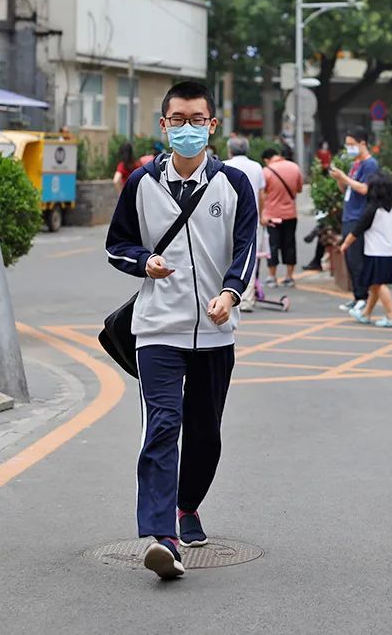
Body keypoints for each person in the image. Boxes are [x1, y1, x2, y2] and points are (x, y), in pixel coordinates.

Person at [105, 80, 257, 579]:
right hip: (158, 328)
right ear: (164, 124)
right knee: (164, 424)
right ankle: (161, 536)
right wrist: (143, 261)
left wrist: (231, 293)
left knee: (206, 433)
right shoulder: (141, 183)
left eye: (197, 119)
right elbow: (116, 245)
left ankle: (186, 504)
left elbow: (246, 249)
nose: (187, 128)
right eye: (178, 119)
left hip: (216, 329)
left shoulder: (233, 185)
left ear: (212, 125)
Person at [340, 171, 392, 328]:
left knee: (379, 285)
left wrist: (345, 244)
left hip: (375, 252)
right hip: (389, 252)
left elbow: (358, 229)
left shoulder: (372, 209)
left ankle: (391, 316)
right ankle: (366, 314)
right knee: (374, 285)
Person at [329, 126, 379, 313]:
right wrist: (339, 179)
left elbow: (366, 189)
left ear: (362, 143)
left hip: (359, 216)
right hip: (349, 214)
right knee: (350, 258)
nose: (349, 149)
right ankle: (357, 296)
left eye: (351, 145)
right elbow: (347, 190)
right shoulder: (356, 164)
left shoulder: (370, 164)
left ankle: (363, 297)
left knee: (357, 259)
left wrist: (345, 178)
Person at [225, 135, 266, 311]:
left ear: (230, 150)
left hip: (227, 218)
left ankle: (226, 294)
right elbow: (262, 194)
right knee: (249, 257)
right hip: (251, 218)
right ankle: (247, 299)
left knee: (226, 255)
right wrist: (261, 214)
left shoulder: (226, 165)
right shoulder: (256, 166)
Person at [260, 147, 303, 288]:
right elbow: (299, 189)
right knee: (290, 245)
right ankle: (289, 277)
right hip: (290, 214)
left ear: (267, 159)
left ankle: (272, 276)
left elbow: (262, 193)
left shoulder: (267, 171)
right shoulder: (294, 167)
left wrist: (263, 214)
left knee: (273, 245)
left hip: (272, 215)